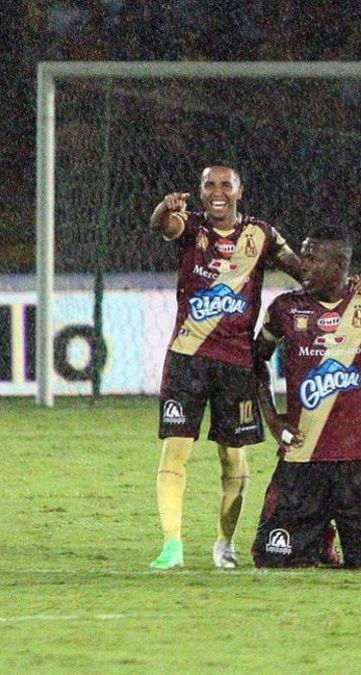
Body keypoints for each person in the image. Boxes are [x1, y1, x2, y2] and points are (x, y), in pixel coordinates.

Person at [147, 165, 303, 570]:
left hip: (236, 364)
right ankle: (172, 545)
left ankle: (224, 544)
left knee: (232, 460)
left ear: (239, 190)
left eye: (225, 185)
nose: (217, 192)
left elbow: (303, 271)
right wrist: (165, 208)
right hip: (187, 360)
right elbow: (164, 226)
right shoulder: (191, 227)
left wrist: (345, 284)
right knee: (175, 451)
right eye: (209, 185)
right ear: (199, 191)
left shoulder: (261, 234)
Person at [249, 226, 361, 569]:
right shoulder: (286, 308)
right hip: (302, 457)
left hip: (356, 461)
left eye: (312, 257)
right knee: (272, 559)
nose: (301, 264)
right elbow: (255, 359)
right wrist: (273, 419)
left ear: (339, 265)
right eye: (303, 255)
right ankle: (321, 537)